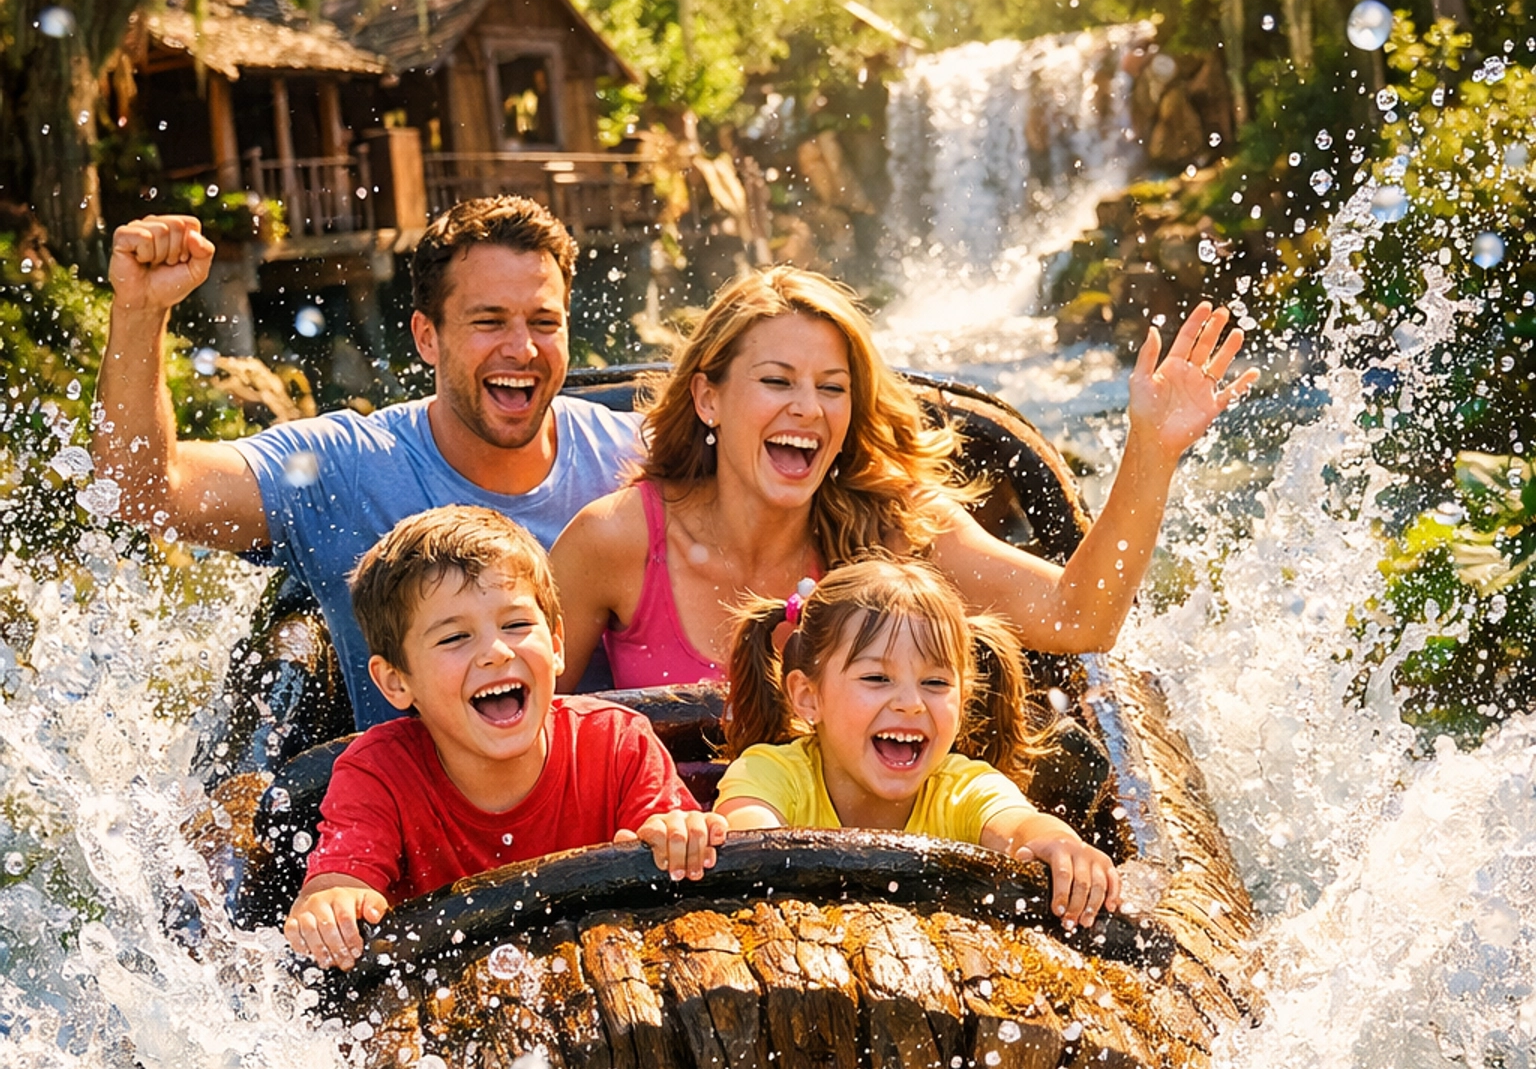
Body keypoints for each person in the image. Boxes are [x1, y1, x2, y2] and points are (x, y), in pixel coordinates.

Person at [550, 267, 1256, 686]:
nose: (808, 408)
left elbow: (1080, 617)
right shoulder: (613, 541)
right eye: (776, 381)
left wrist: (1151, 453)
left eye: (833, 387)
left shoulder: (895, 524)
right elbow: (519, 726)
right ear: (709, 398)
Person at [94, 197, 639, 727]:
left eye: (544, 322)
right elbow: (142, 491)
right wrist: (140, 313)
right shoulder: (347, 469)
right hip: (406, 808)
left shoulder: (636, 459)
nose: (521, 349)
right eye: (489, 322)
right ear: (427, 337)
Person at [284, 509, 727, 971]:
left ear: (557, 644)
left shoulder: (617, 743)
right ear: (396, 682)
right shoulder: (377, 774)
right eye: (455, 637)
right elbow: (337, 880)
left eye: (516, 625)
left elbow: (673, 835)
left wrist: (678, 834)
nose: (495, 652)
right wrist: (330, 901)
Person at [715, 560, 1120, 931]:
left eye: (936, 683)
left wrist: (1060, 844)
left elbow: (1017, 826)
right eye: (876, 679)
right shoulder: (769, 773)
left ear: (962, 700)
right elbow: (750, 843)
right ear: (808, 697)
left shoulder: (963, 787)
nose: (910, 703)